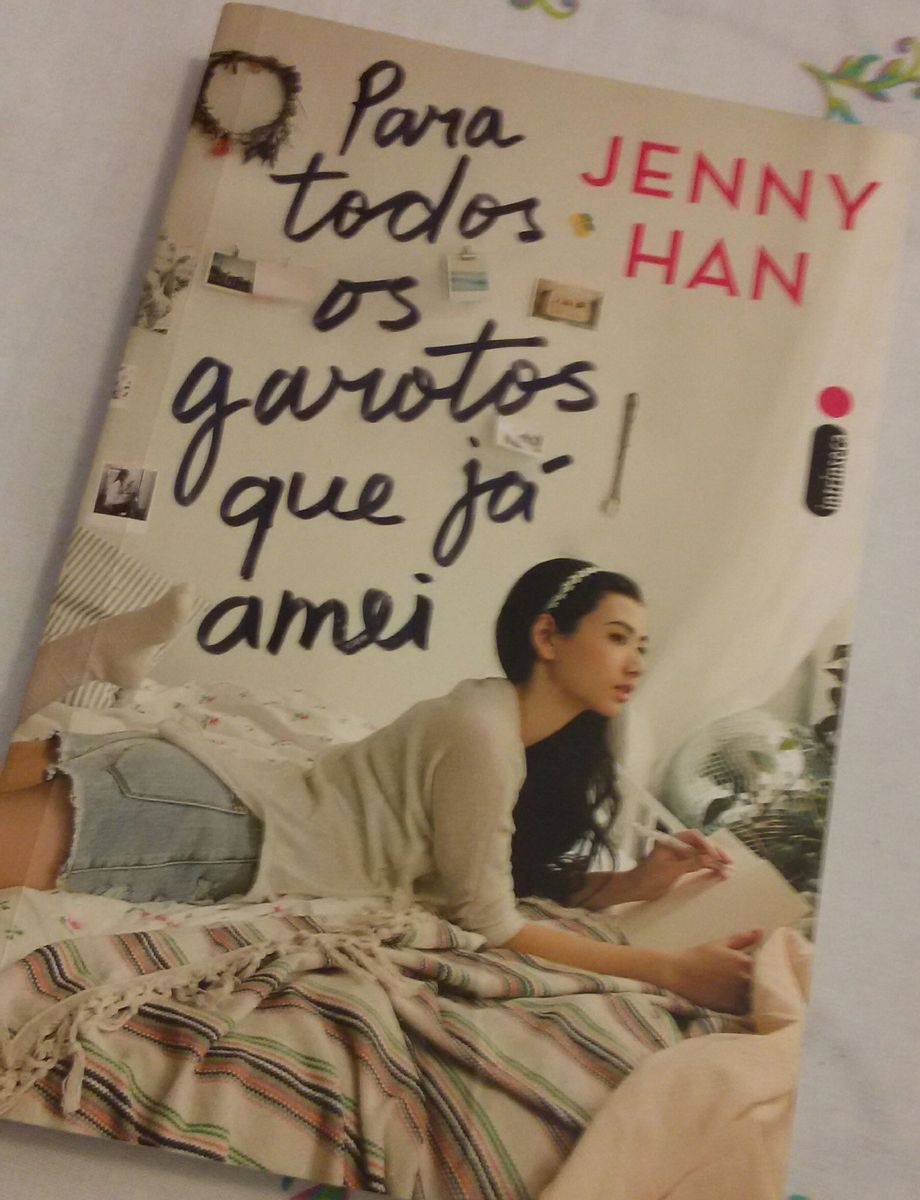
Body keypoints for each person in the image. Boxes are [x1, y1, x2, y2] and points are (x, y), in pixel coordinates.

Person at [0, 560, 759, 1013]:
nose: (636, 661)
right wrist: (669, 968)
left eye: (642, 644)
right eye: (618, 637)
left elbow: (494, 875)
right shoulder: (486, 741)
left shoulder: (491, 712)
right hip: (201, 825)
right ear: (547, 637)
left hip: (198, 785)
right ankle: (89, 656)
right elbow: (494, 921)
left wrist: (630, 884)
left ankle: (92, 658)